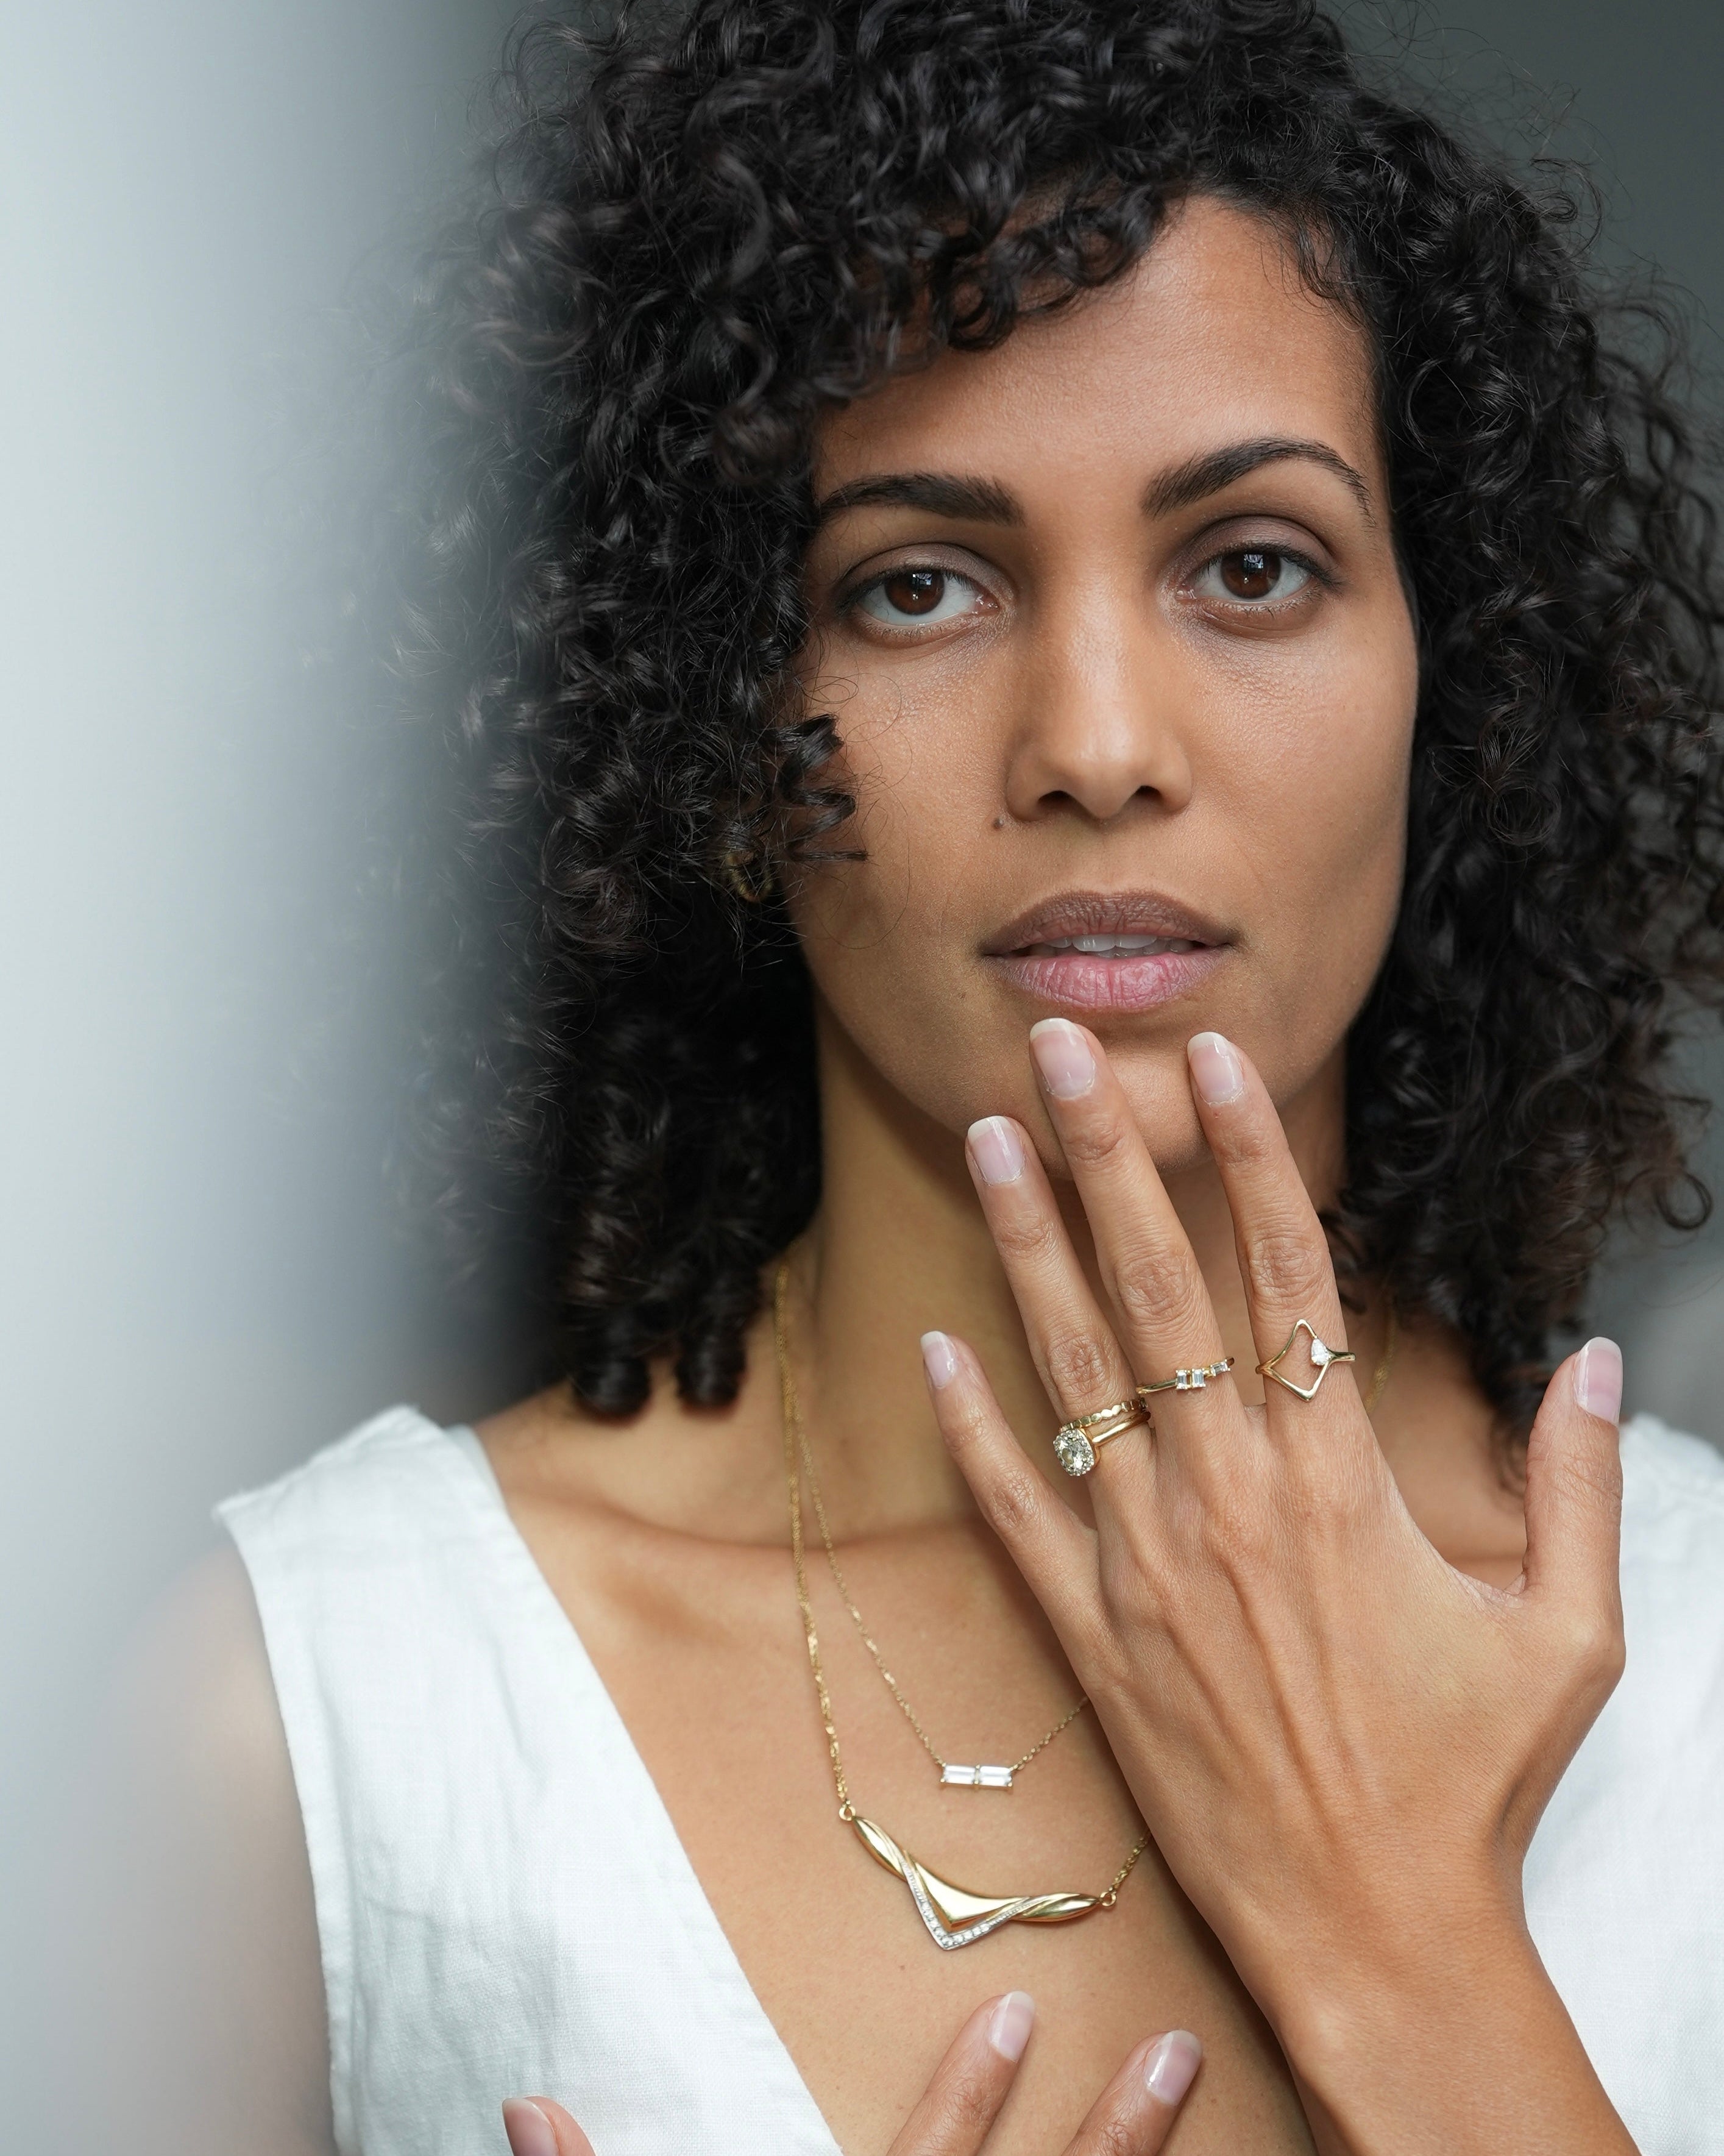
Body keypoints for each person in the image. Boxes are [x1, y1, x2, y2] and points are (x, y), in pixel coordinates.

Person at [93, 2, 1724, 2152]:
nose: (1098, 738)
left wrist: (1403, 1936)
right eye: (919, 585)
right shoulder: (304, 1725)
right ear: (699, 723)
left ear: (1461, 669)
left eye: (1254, 563)